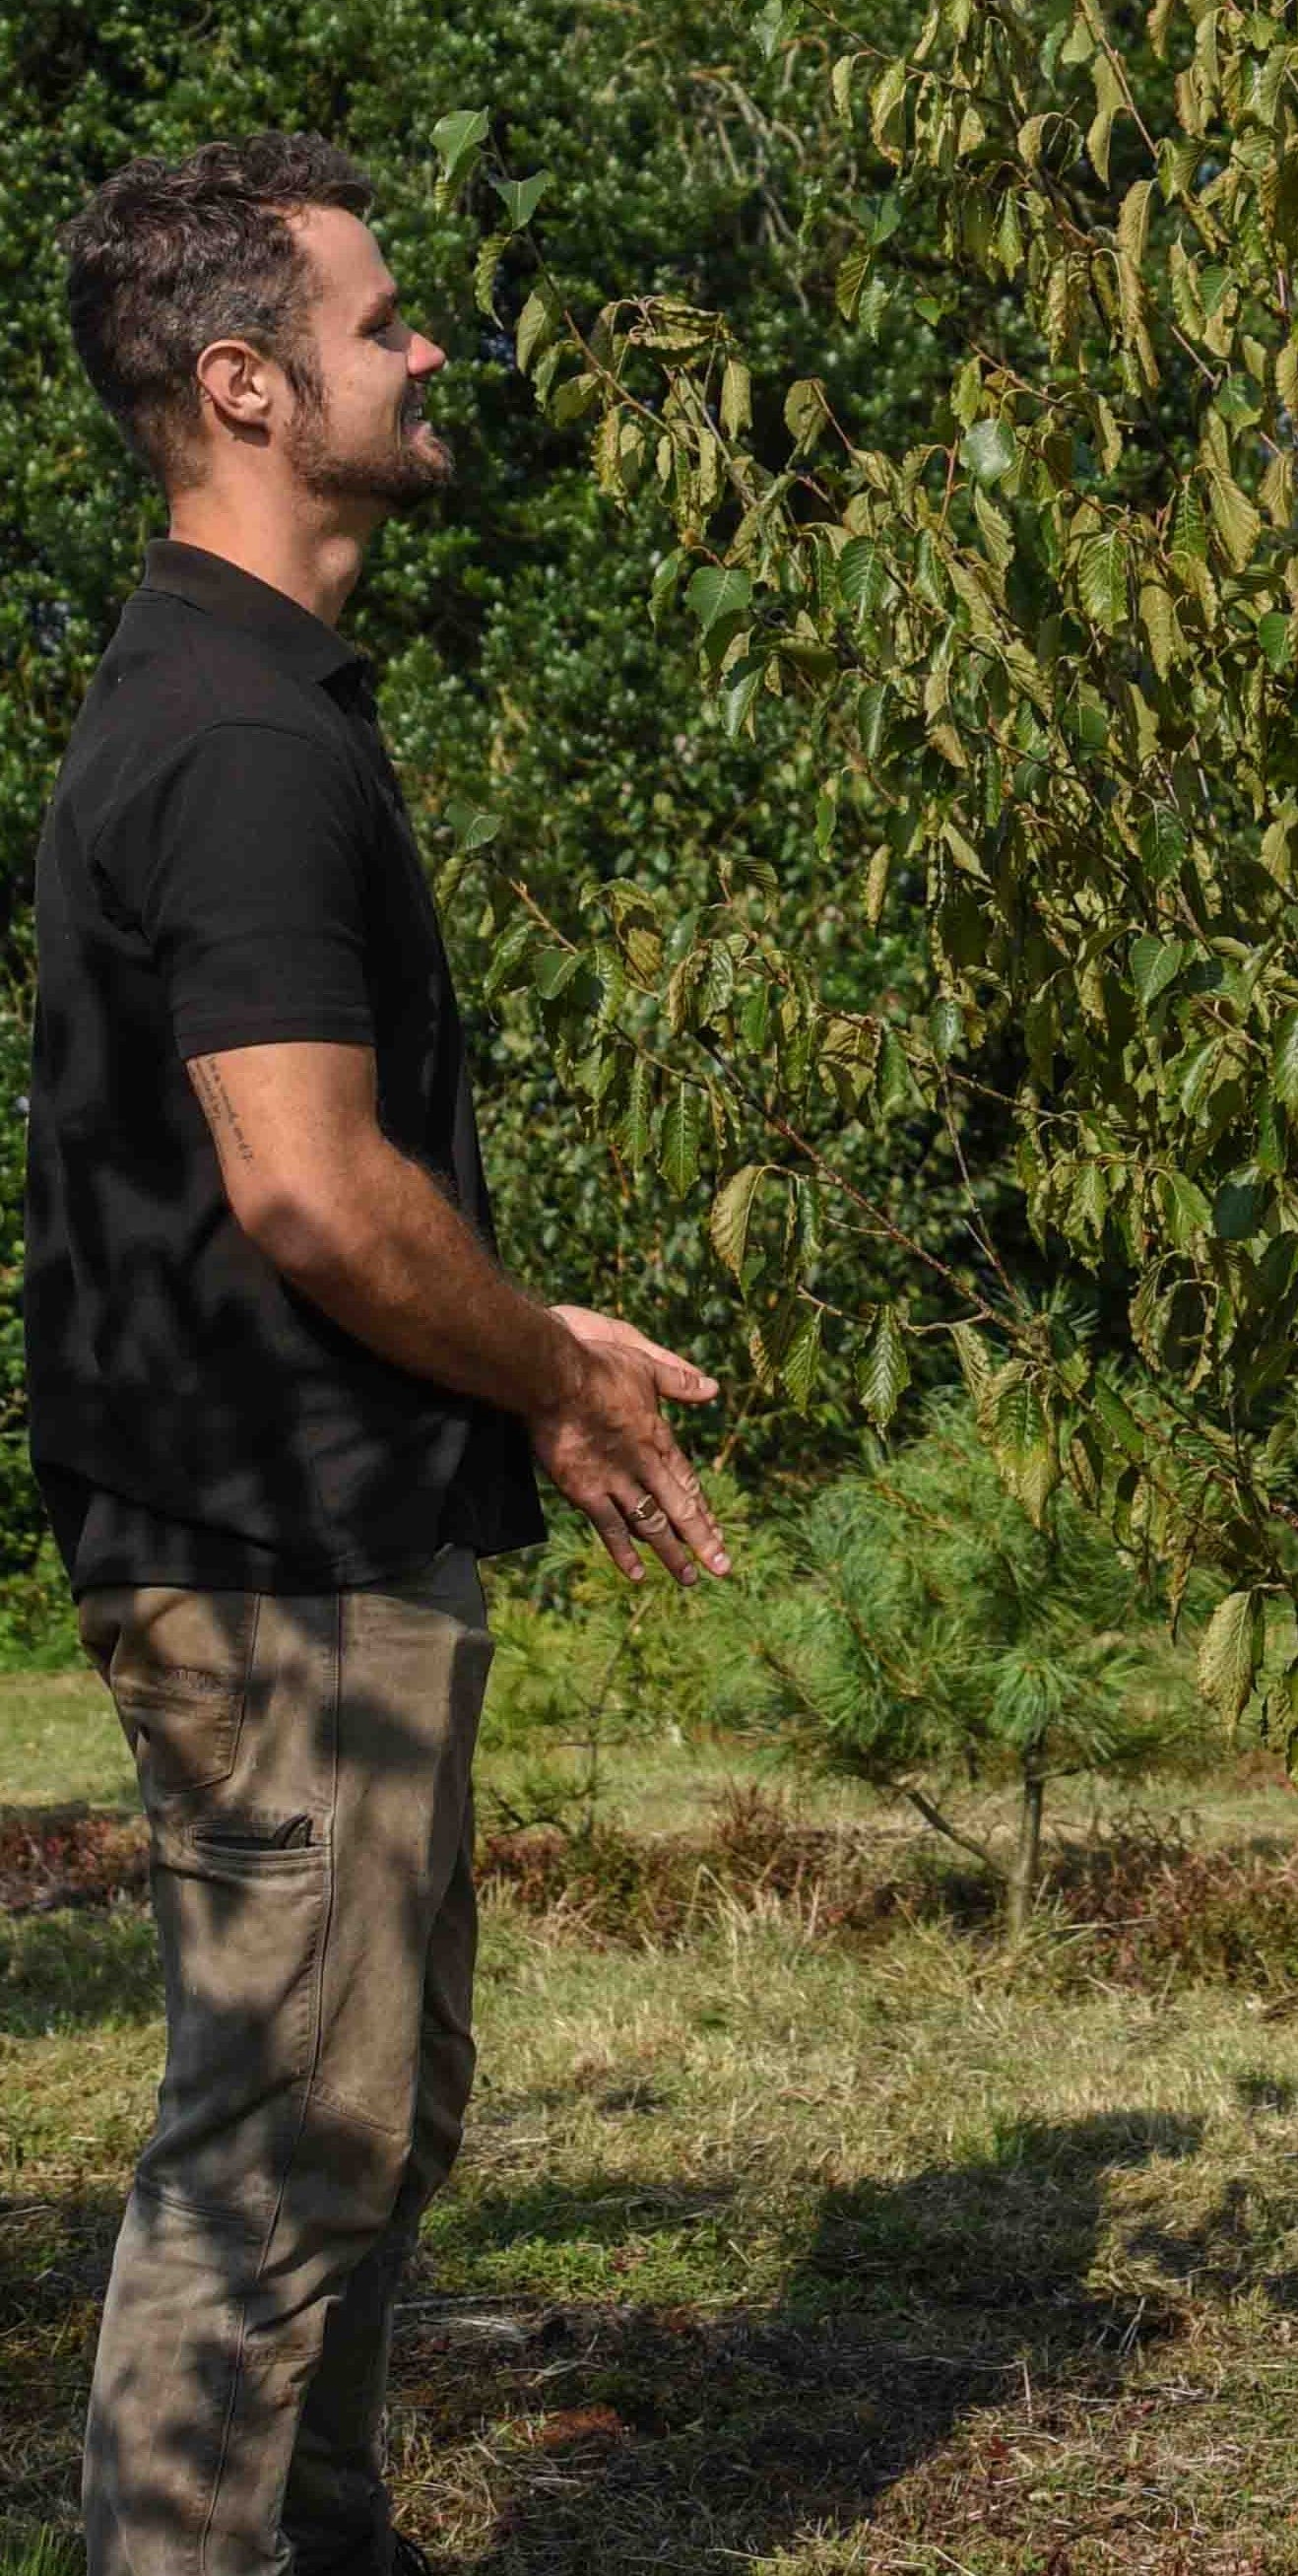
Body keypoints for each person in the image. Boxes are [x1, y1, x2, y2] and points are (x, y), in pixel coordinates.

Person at [22, 133, 732, 2576]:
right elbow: (307, 1185)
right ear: (243, 382)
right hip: (269, 1556)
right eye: (382, 316)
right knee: (278, 2148)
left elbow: (322, 1170)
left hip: (329, 1534)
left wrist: (524, 1328)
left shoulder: (256, 698)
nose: (431, 348)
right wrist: (543, 1369)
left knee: (371, 2108)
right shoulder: (237, 740)